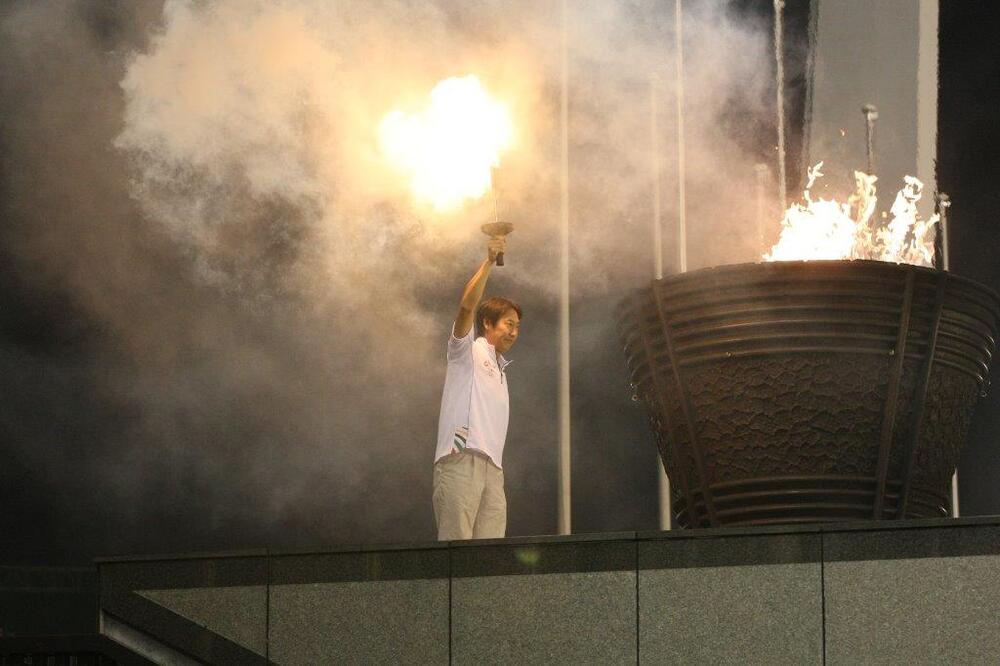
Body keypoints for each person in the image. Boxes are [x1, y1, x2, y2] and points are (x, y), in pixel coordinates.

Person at [432, 234, 521, 540]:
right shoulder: (467, 351)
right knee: (456, 551)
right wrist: (488, 262)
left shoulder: (502, 369)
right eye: (508, 323)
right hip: (461, 454)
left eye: (517, 327)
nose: (514, 332)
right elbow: (466, 309)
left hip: (493, 469)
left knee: (490, 557)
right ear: (487, 323)